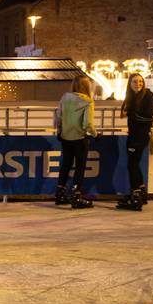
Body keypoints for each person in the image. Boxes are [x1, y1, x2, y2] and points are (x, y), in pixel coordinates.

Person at [54, 75, 97, 208]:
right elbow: (87, 124)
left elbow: (58, 117)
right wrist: (95, 134)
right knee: (80, 166)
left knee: (66, 164)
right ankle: (76, 194)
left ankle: (60, 193)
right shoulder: (87, 101)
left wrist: (60, 131)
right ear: (87, 87)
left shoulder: (64, 98)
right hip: (80, 138)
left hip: (66, 137)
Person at [116, 74, 153, 211]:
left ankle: (136, 195)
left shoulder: (148, 96)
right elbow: (126, 114)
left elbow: (148, 116)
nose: (137, 84)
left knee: (132, 165)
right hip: (133, 135)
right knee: (134, 164)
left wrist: (131, 113)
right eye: (134, 81)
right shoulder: (131, 97)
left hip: (139, 137)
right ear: (130, 83)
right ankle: (140, 192)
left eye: (140, 81)